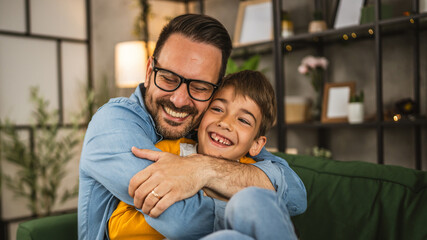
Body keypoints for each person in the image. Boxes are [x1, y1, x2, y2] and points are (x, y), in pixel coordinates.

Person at [78, 14, 306, 240]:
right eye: (168, 78)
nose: (179, 100)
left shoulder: (206, 125)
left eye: (199, 87)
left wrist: (202, 169)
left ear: (215, 89)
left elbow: (295, 194)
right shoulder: (112, 123)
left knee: (252, 201)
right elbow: (180, 220)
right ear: (149, 72)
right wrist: (250, 211)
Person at [109, 70, 297, 239]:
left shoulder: (252, 174)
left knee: (255, 199)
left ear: (256, 144)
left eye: (243, 120)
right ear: (200, 119)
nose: (225, 123)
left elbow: (283, 206)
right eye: (217, 109)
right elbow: (117, 229)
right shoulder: (168, 152)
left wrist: (206, 180)